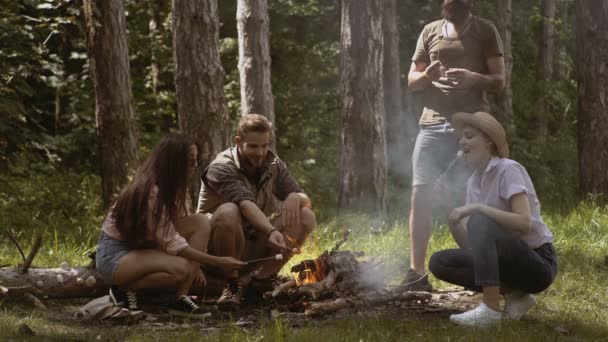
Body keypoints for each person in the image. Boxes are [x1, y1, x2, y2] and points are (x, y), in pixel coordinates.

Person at [404, 0, 506, 290]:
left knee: (467, 201)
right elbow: (412, 81)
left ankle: (485, 274)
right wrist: (427, 76)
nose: (451, 4)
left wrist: (475, 79)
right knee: (420, 195)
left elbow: (499, 81)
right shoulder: (430, 31)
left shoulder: (486, 30)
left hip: (471, 125)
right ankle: (416, 275)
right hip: (432, 124)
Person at [95, 133, 246, 318]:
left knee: (200, 221)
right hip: (117, 255)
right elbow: (173, 243)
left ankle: (180, 298)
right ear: (174, 163)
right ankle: (122, 290)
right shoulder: (152, 192)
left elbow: (180, 230)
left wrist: (197, 266)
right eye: (190, 161)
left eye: (196, 160)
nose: (195, 166)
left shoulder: (175, 189)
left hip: (145, 247)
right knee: (181, 269)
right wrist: (217, 261)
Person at [428, 112, 558, 327]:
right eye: (461, 138)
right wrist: (448, 209)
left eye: (469, 136)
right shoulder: (473, 182)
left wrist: (479, 208)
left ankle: (490, 309)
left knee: (480, 219)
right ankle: (517, 296)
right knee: (439, 261)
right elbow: (474, 248)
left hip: (538, 263)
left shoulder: (509, 169)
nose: (461, 142)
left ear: (488, 141)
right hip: (507, 264)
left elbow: (524, 223)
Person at [198, 114, 316, 310]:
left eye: (264, 145)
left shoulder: (273, 164)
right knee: (228, 210)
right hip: (214, 251)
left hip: (251, 242)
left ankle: (261, 281)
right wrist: (271, 232)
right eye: (253, 146)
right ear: (238, 141)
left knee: (305, 216)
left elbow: (306, 200)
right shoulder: (221, 166)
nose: (260, 152)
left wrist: (295, 197)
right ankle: (232, 284)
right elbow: (245, 204)